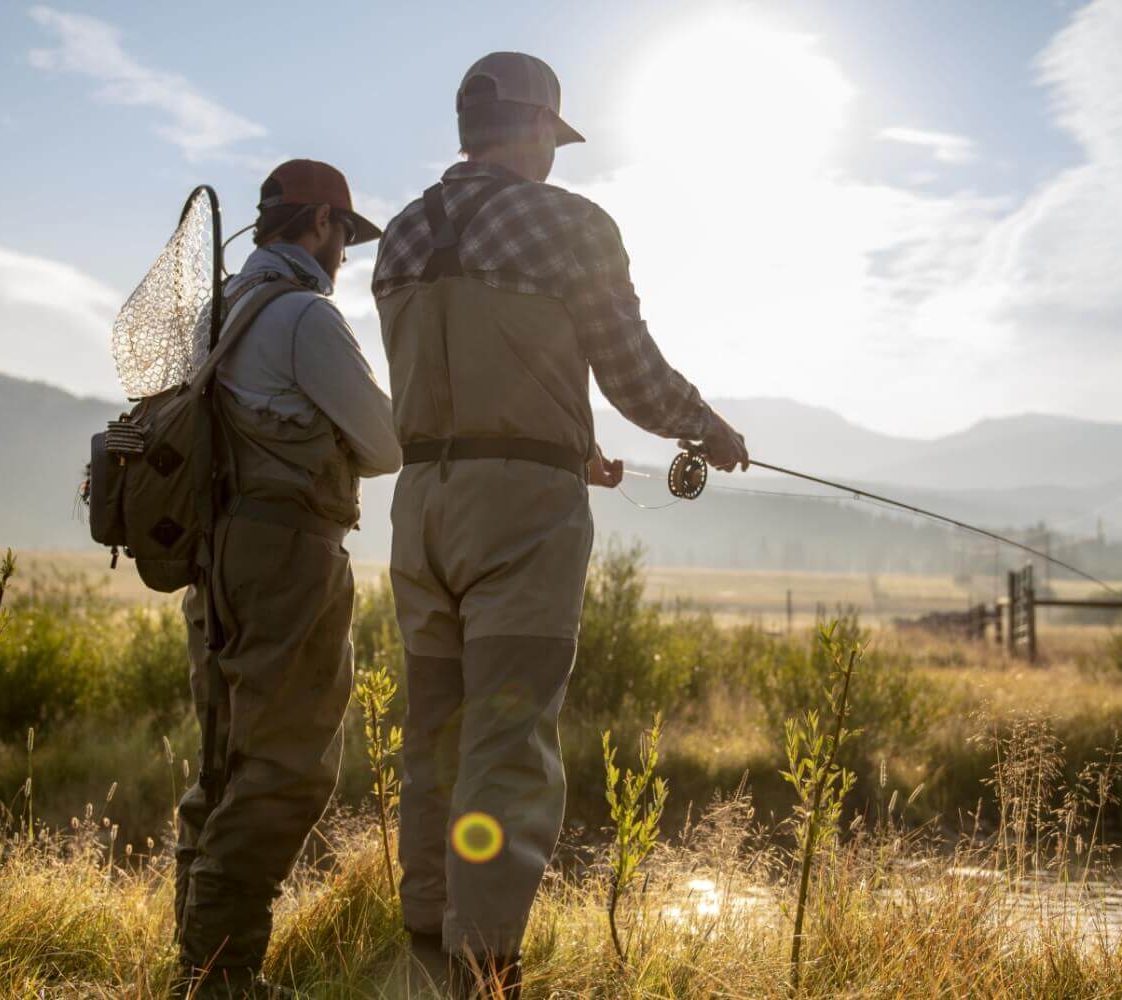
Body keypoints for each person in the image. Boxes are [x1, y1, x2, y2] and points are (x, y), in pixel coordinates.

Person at [371, 51, 748, 997]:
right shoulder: (569, 224)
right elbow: (632, 372)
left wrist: (554, 438)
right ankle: (487, 970)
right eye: (555, 138)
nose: (556, 155)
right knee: (507, 742)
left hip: (418, 507)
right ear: (538, 127)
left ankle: (426, 949)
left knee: (435, 737)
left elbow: (450, 381)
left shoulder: (403, 233)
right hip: (523, 519)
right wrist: (706, 424)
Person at [174, 158, 400, 999]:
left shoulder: (218, 309)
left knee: (222, 763)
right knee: (288, 767)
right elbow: (385, 446)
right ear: (319, 226)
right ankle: (226, 979)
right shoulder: (307, 316)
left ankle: (197, 972)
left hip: (215, 558)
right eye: (345, 234)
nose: (346, 253)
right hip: (289, 556)